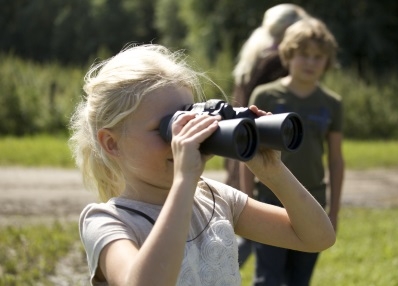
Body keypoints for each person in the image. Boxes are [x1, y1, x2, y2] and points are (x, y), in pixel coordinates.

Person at [69, 44, 335, 286]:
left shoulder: (216, 198)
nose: (187, 136)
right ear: (112, 143)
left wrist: (274, 173)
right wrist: (184, 181)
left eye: (191, 118)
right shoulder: (107, 221)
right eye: (170, 127)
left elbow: (317, 238)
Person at [242, 18, 345, 285]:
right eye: (303, 55)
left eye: (318, 57)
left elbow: (335, 160)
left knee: (300, 279)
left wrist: (333, 211)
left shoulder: (332, 103)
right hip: (269, 199)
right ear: (288, 54)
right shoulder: (265, 96)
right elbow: (247, 152)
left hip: (312, 199)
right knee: (268, 277)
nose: (311, 62)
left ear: (327, 61)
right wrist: (245, 201)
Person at [225, 4, 309, 267]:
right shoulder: (278, 61)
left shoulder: (253, 56)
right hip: (263, 149)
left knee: (244, 226)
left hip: (240, 143)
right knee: (258, 233)